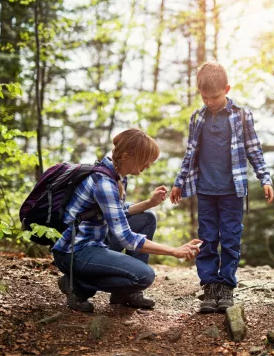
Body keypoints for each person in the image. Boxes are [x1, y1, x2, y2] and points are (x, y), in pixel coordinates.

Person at [53, 128, 202, 312]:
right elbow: (126, 237)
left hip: (97, 241)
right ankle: (77, 285)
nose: (148, 165)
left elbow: (118, 212)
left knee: (146, 219)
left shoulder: (117, 175)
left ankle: (124, 294)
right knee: (143, 276)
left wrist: (149, 203)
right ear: (126, 156)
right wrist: (174, 251)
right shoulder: (104, 182)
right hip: (76, 251)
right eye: (145, 160)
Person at [170, 61, 274, 313]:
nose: (210, 101)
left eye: (215, 96)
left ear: (226, 89)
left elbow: (253, 149)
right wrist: (179, 182)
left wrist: (265, 178)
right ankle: (209, 286)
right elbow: (190, 153)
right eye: (205, 97)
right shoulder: (197, 118)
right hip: (205, 191)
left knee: (230, 239)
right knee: (207, 239)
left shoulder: (241, 115)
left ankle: (226, 285)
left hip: (232, 191)